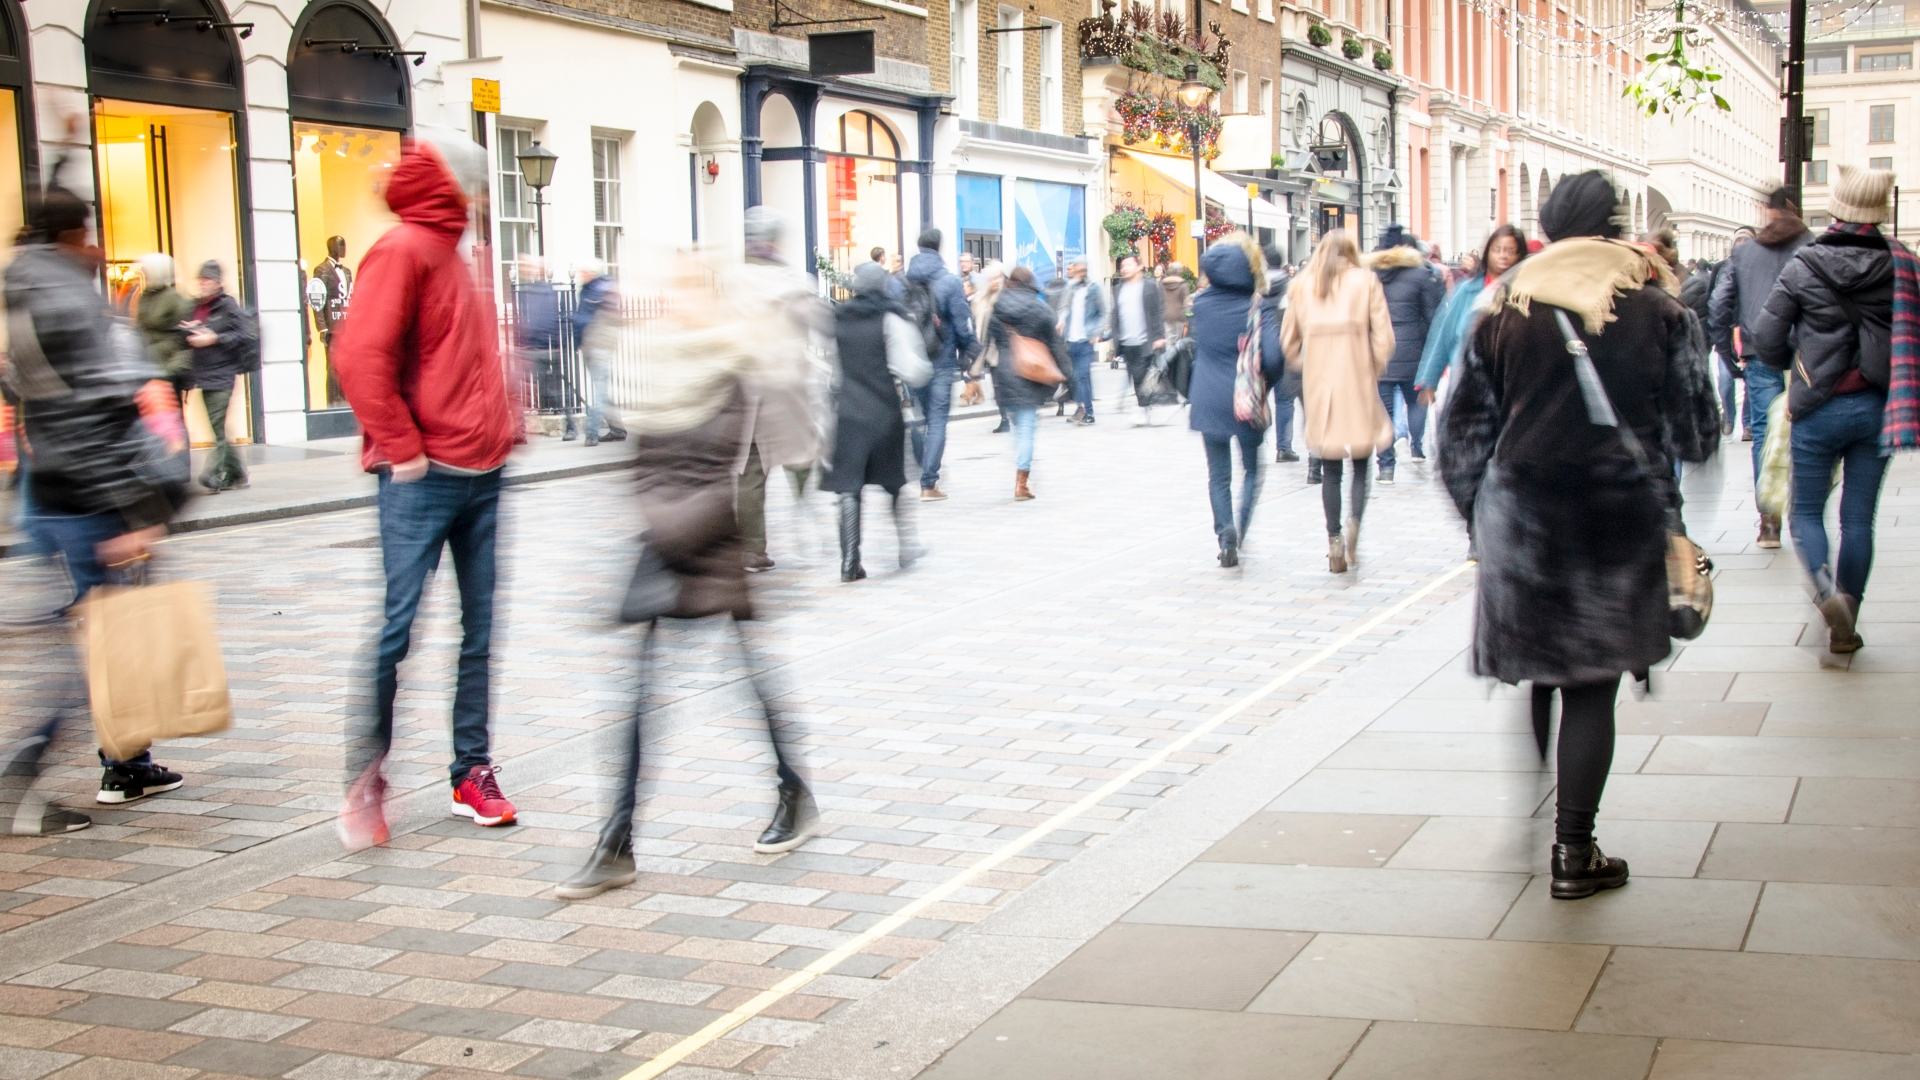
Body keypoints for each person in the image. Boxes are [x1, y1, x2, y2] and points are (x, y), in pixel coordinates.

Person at [1439, 171, 1719, 901]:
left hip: (1524, 519)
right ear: (1614, 224)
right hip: (1616, 520)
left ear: (1546, 226)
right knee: (1592, 685)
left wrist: (1482, 515)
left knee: (1542, 671)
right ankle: (1574, 848)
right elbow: (1696, 431)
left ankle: (1541, 808)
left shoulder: (1502, 308)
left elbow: (1461, 433)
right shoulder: (1660, 310)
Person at [557, 251, 818, 899]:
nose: (672, 301)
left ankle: (794, 791)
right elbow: (643, 463)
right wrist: (648, 526)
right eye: (667, 289)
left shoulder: (732, 366)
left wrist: (659, 531)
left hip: (707, 538)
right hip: (664, 540)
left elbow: (721, 468)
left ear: (712, 296)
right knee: (642, 697)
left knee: (751, 682)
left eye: (683, 290)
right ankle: (616, 841)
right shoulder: (656, 366)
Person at [332, 133, 521, 849]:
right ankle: (364, 779)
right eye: (479, 188)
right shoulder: (406, 248)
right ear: (461, 188)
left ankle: (471, 769)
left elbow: (464, 358)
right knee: (397, 630)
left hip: (483, 472)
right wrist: (403, 449)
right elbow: (359, 355)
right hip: (424, 477)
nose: (483, 201)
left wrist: (506, 425)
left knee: (481, 631)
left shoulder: (458, 253)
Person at [3, 185, 193, 835]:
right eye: (89, 238)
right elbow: (99, 416)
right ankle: (27, 781)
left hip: (46, 493)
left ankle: (128, 761)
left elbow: (27, 392)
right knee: (100, 650)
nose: (97, 249)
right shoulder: (66, 302)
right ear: (72, 238)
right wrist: (135, 508)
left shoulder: (22, 290)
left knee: (101, 637)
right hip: (86, 501)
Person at [1751, 166, 1909, 654]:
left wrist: (1791, 369)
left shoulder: (1805, 264)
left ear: (1837, 206)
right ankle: (1849, 614)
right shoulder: (1902, 264)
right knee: (1859, 520)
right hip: (1877, 407)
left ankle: (1823, 590)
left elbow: (1766, 336)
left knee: (1805, 512)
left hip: (1818, 405)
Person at [1282, 230, 1394, 573]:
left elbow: (1288, 341)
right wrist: (1371, 366)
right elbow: (1384, 338)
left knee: (1330, 466)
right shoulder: (1366, 282)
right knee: (1360, 461)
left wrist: (1309, 362)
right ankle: (1355, 522)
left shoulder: (1302, 286)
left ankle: (1334, 538)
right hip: (1357, 380)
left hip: (1320, 385)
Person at [1711, 188, 1811, 548]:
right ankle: (1804, 514)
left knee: (1765, 432)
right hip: (1806, 355)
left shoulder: (1746, 252)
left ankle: (1768, 520)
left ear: (1767, 211)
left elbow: (1719, 304)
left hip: (1759, 352)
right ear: (1794, 210)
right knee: (1803, 430)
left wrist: (1727, 352)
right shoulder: (1811, 246)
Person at [826, 261, 932, 582]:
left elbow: (830, 370)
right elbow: (912, 369)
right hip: (883, 410)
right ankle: (907, 547)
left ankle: (849, 561)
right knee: (894, 481)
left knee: (848, 486)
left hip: (847, 412)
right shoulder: (891, 318)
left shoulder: (838, 319)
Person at [734, 208, 825, 574]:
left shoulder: (733, 281)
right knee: (801, 453)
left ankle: (753, 548)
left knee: (751, 470)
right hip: (788, 384)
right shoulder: (795, 281)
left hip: (748, 384)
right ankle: (807, 513)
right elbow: (816, 325)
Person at [1188, 235, 1284, 568]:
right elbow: (1273, 357)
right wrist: (1268, 384)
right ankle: (1240, 530)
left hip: (1207, 397)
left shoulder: (1200, 304)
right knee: (1252, 470)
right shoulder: (1260, 306)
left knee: (1218, 475)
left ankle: (1224, 534)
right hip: (1245, 398)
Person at [1415, 224, 1528, 404]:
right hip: (1467, 384)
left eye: (1510, 251)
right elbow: (1444, 335)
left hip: (1512, 387)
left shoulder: (1526, 293)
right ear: (1488, 252)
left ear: (1519, 255)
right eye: (1497, 250)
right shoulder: (1467, 291)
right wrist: (1429, 381)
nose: (1503, 256)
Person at [1366, 225, 1446, 482]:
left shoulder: (1371, 275)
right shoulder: (1421, 275)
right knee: (1415, 402)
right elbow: (1432, 315)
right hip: (1413, 351)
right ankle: (1416, 446)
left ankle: (1386, 465)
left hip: (1380, 352)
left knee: (1383, 411)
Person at [904, 228, 978, 501]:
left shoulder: (903, 281)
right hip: (941, 358)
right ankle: (928, 483)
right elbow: (962, 323)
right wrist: (971, 353)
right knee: (936, 422)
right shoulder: (949, 282)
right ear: (940, 246)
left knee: (921, 417)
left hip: (912, 359)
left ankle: (922, 461)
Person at [988, 265, 1067, 502]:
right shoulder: (1039, 308)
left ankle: (1022, 465)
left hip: (1004, 370)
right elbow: (1054, 344)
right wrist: (1067, 374)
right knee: (1026, 427)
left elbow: (989, 338)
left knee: (1018, 425)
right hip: (1030, 372)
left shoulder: (997, 306)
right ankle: (1021, 482)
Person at [184, 260, 259, 493]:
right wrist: (190, 329)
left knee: (216, 425)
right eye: (201, 280)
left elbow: (244, 336)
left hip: (223, 374)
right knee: (218, 428)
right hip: (203, 374)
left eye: (207, 280)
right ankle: (238, 474)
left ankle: (213, 474)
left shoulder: (228, 306)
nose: (202, 284)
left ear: (217, 283)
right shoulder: (198, 307)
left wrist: (214, 338)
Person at [514, 257, 576, 440]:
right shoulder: (527, 291)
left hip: (544, 347)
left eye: (527, 266)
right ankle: (520, 431)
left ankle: (570, 426)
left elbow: (546, 320)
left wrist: (555, 343)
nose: (524, 269)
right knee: (521, 389)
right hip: (534, 347)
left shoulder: (542, 291)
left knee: (552, 391)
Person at [571, 260, 629, 448]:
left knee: (600, 391)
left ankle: (591, 432)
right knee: (602, 388)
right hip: (593, 344)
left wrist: (581, 339)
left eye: (583, 270)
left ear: (592, 272)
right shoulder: (590, 288)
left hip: (598, 345)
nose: (580, 274)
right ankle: (617, 428)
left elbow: (586, 319)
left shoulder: (599, 290)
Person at [1110, 253, 1167, 420]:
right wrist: (1116, 338)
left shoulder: (1149, 286)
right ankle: (1144, 405)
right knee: (1136, 375)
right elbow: (1116, 315)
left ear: (1139, 267)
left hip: (1146, 339)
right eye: (1122, 266)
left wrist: (1159, 336)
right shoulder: (1118, 288)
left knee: (1145, 373)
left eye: (1128, 265)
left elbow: (1156, 312)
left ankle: (1146, 405)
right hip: (1127, 340)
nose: (1125, 269)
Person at [1260, 243, 1301, 463]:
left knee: (1257, 398)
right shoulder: (1293, 287)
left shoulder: (1256, 288)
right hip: (1287, 350)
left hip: (1261, 351)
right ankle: (1284, 447)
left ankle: (1256, 440)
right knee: (1285, 401)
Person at [1054, 258, 1107, 426]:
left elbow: (1103, 313)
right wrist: (1061, 320)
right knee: (1076, 377)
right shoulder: (1070, 288)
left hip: (1086, 339)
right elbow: (1063, 308)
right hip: (1071, 339)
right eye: (1077, 268)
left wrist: (1097, 332)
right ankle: (1081, 407)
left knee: (1082, 375)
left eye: (1082, 268)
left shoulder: (1093, 288)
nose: (1079, 271)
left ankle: (1089, 412)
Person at [135, 253, 194, 398]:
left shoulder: (173, 298)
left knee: (168, 416)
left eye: (147, 272)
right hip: (149, 368)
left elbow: (186, 338)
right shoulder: (146, 296)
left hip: (166, 370)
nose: (144, 275)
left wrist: (172, 371)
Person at [970, 261, 1011, 433]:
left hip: (1007, 350)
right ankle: (1004, 418)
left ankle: (1013, 416)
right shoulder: (982, 300)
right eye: (991, 279)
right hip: (991, 351)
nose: (995, 282)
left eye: (997, 278)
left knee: (1007, 386)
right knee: (997, 387)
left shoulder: (1007, 298)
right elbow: (980, 328)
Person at [1160, 260, 1192, 341]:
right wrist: (1188, 317)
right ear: (1180, 271)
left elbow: (1160, 300)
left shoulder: (1163, 284)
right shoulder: (1183, 285)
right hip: (1179, 317)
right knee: (1177, 343)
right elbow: (1186, 303)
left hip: (1166, 315)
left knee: (1168, 341)